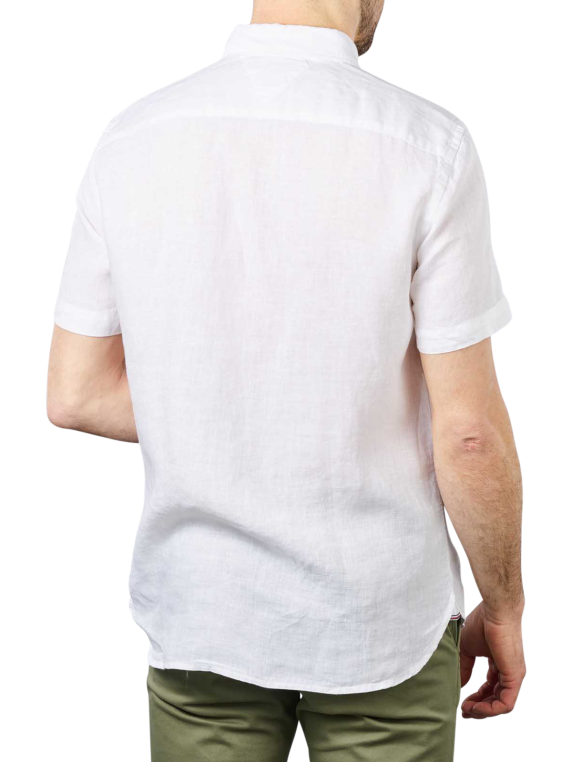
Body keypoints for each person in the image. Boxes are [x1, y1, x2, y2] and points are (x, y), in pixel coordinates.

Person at [46, 1, 526, 759]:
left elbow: (75, 395)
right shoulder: (427, 143)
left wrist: (234, 413)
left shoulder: (133, 135)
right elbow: (469, 435)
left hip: (205, 611)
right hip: (382, 623)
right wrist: (503, 605)